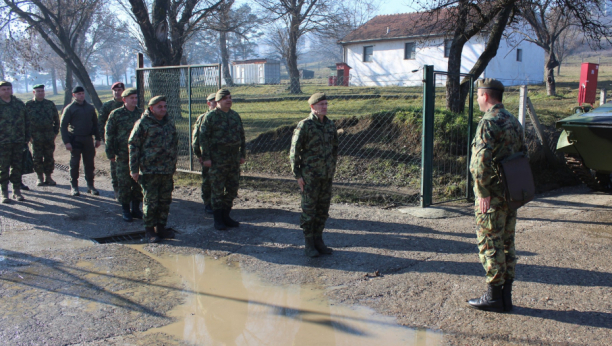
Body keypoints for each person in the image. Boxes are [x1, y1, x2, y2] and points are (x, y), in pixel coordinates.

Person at [467, 78, 527, 313]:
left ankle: (493, 297)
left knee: (489, 243)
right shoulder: (512, 120)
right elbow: (524, 154)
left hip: (491, 196)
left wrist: (483, 192)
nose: (479, 99)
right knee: (507, 243)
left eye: (479, 95)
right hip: (511, 194)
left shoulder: (488, 122)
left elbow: (480, 162)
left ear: (485, 96)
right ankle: (506, 297)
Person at [290, 92, 338, 257]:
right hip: (310, 177)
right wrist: (298, 175)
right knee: (309, 210)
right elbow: (294, 151)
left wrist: (331, 169)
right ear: (312, 107)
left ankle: (319, 240)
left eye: (326, 104)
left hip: (326, 176)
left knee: (322, 210)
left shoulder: (330, 125)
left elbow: (334, 149)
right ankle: (309, 244)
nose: (324, 107)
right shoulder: (305, 125)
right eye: (321, 104)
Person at [128, 95, 178, 242]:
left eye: (164, 106)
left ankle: (161, 227)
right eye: (159, 107)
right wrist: (134, 169)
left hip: (166, 169)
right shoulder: (143, 123)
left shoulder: (168, 123)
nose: (163, 109)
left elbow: (174, 143)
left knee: (165, 200)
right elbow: (133, 145)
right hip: (149, 170)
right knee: (151, 201)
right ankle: (149, 230)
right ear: (151, 108)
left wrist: (173, 163)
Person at [198, 88, 246, 231]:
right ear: (218, 101)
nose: (229, 100)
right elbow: (203, 138)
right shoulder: (210, 117)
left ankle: (226, 215)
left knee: (232, 189)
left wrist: (242, 154)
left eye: (230, 97)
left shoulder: (235, 116)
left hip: (233, 160)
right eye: (225, 98)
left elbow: (242, 137)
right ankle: (218, 219)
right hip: (217, 160)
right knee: (217, 190)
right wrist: (206, 158)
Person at [105, 88, 143, 222]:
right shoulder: (116, 114)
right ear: (124, 100)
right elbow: (109, 134)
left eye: (135, 98)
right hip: (122, 154)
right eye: (131, 98)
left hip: (138, 154)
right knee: (124, 182)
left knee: (138, 182)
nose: (134, 100)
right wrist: (110, 152)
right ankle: (126, 209)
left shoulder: (141, 113)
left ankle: (136, 209)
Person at [60, 86, 101, 196]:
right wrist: (67, 142)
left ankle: (91, 185)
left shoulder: (90, 108)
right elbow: (63, 126)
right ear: (74, 95)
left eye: (82, 93)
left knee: (89, 164)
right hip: (75, 139)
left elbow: (96, 124)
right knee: (74, 164)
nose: (81, 95)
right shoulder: (70, 108)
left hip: (88, 139)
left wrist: (98, 138)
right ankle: (74, 186)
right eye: (78, 94)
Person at [0, 81, 30, 203]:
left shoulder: (19, 104)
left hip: (18, 141)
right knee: (3, 169)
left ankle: (17, 191)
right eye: (4, 89)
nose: (7, 91)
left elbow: (27, 122)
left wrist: (27, 138)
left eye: (8, 89)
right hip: (2, 143)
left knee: (17, 167)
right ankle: (4, 193)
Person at [25, 84, 60, 186]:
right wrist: (29, 136)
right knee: (37, 158)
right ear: (34, 92)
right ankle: (40, 177)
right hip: (35, 137)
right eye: (38, 91)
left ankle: (49, 177)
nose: (40, 93)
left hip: (48, 136)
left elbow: (56, 120)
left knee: (49, 157)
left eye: (42, 91)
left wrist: (55, 132)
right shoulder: (28, 105)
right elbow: (25, 121)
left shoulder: (49, 104)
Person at [191, 93, 217, 215]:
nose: (217, 104)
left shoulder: (226, 116)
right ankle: (208, 203)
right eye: (214, 102)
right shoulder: (203, 118)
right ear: (209, 103)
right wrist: (199, 155)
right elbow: (196, 139)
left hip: (223, 156)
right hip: (209, 155)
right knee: (208, 180)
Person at [99, 82, 125, 199]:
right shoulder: (107, 106)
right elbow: (101, 123)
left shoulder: (129, 103)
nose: (117, 92)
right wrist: (103, 139)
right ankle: (117, 189)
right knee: (115, 167)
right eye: (115, 90)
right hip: (114, 142)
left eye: (119, 90)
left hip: (128, 142)